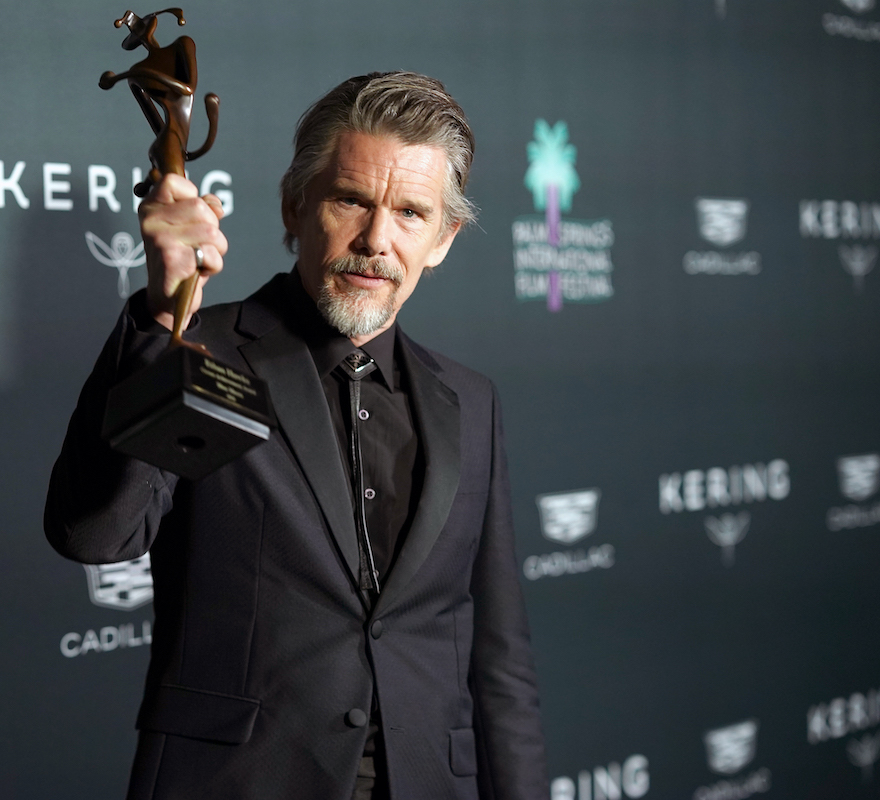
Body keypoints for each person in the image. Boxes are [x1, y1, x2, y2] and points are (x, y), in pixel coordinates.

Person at [45, 71, 547, 800]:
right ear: (293, 204)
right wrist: (162, 317)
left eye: (410, 213)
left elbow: (499, 658)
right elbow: (96, 535)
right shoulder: (199, 351)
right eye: (351, 200)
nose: (376, 240)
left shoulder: (470, 400)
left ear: (443, 239)